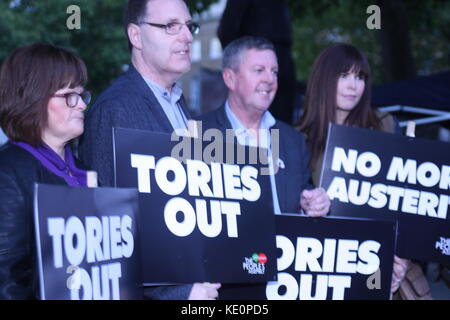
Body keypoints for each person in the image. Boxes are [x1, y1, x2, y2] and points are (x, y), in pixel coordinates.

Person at [79, 0, 220, 300]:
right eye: (170, 26)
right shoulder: (114, 110)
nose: (187, 37)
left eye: (189, 26)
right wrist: (177, 295)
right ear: (136, 36)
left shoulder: (182, 107)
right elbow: (109, 228)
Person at [297, 42, 409, 296]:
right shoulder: (297, 138)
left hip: (382, 264)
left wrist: (402, 259)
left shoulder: (386, 126)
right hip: (323, 267)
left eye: (360, 77)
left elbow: (407, 203)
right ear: (324, 79)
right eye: (344, 75)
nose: (353, 86)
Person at [197, 36, 330, 217]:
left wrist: (314, 203)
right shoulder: (198, 136)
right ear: (230, 79)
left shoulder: (293, 141)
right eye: (259, 70)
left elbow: (305, 198)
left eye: (274, 71)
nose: (270, 79)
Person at [0, 43, 91, 299]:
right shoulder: (8, 174)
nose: (82, 105)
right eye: (69, 95)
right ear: (33, 97)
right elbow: (7, 284)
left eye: (82, 95)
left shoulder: (84, 171)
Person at [217, 0, 297, 125]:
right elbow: (227, 28)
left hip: (283, 60)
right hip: (253, 56)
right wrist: (240, 60)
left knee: (282, 120)